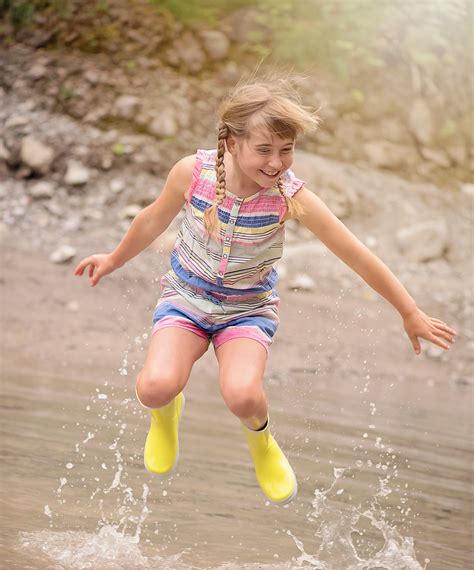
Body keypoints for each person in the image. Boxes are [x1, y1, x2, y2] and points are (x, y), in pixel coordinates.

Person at [74, 78, 456, 506]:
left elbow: (358, 254)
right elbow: (151, 219)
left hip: (246, 311)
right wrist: (113, 258)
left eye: (286, 150)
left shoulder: (290, 196)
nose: (277, 162)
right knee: (155, 387)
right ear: (232, 143)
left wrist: (409, 311)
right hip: (185, 300)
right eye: (264, 150)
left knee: (243, 395)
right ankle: (166, 416)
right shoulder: (193, 172)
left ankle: (262, 443)